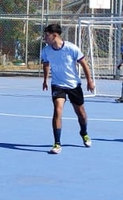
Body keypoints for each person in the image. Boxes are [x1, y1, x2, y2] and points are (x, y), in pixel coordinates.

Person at [40, 22, 95, 154]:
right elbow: (46, 64)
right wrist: (45, 80)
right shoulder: (46, 50)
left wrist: (89, 81)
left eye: (46, 35)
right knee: (57, 110)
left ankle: (84, 132)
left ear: (54, 35)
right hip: (57, 85)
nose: (45, 38)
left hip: (73, 85)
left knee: (81, 113)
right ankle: (57, 143)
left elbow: (84, 63)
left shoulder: (71, 48)